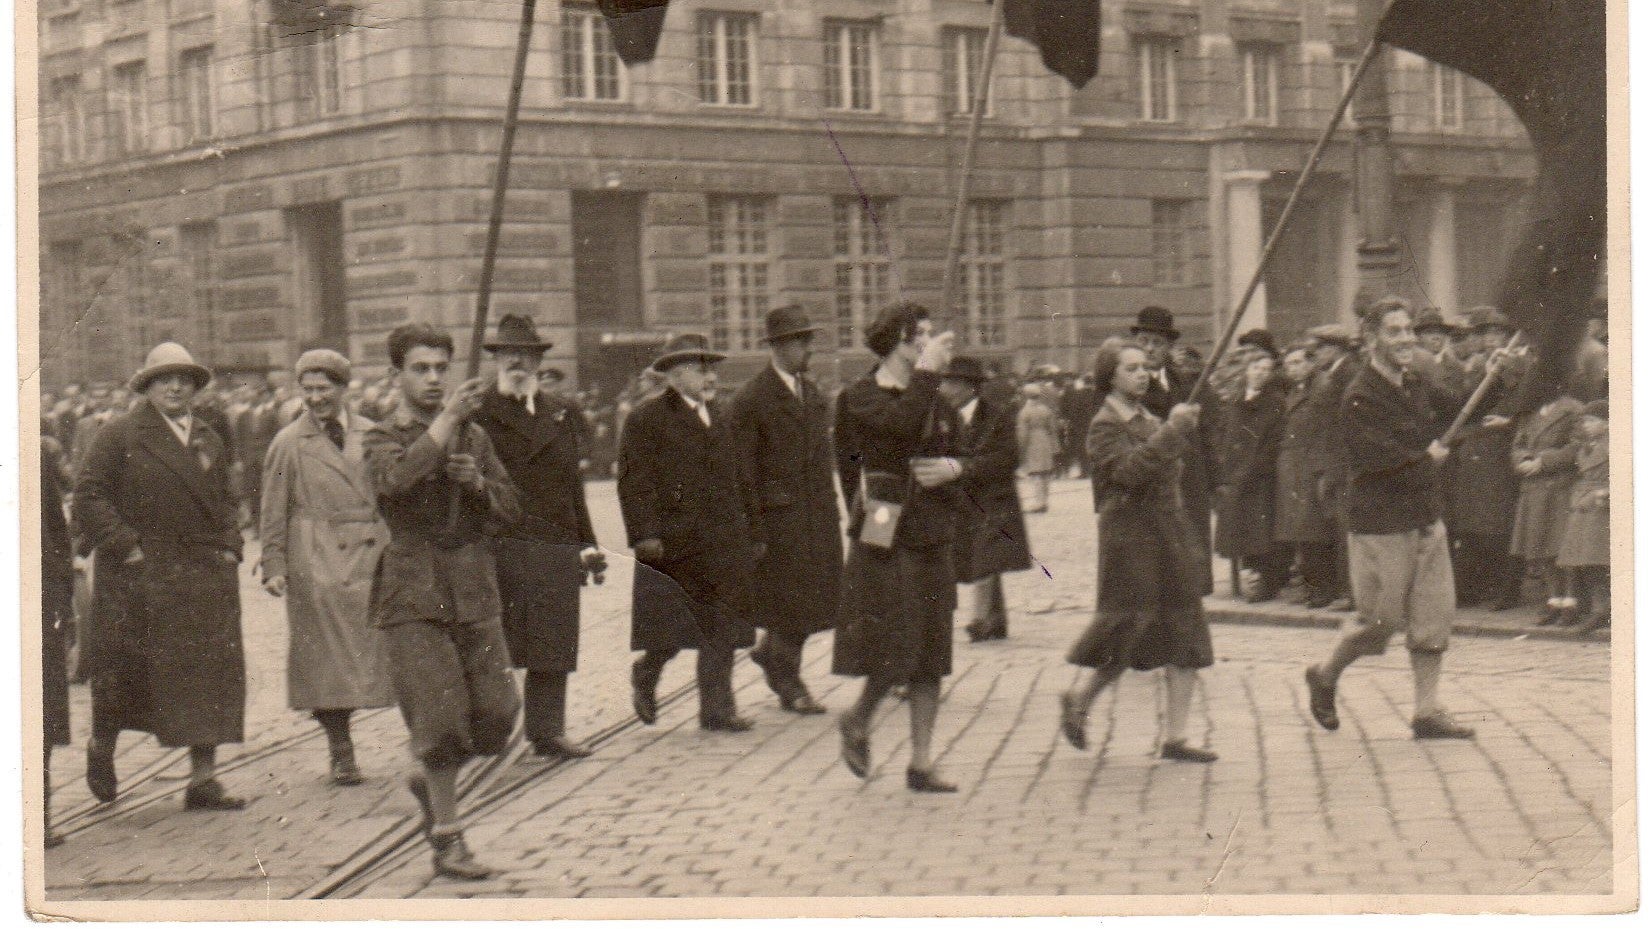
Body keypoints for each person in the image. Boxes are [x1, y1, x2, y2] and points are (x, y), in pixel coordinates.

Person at [364, 324, 523, 880]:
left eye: (440, 368)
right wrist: (446, 423)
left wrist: (478, 482)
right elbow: (395, 481)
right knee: (440, 721)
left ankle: (430, 777)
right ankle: (449, 835)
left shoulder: (475, 440)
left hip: (473, 587)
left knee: (500, 713)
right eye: (420, 369)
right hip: (413, 593)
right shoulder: (384, 435)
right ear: (397, 376)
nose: (433, 379)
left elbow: (510, 508)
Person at [1305, 297, 1496, 742]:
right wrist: (1427, 460)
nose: (1406, 339)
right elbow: (1375, 460)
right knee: (1379, 624)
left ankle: (1426, 711)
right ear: (1372, 338)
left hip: (1425, 516)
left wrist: (1497, 376)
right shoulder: (1359, 394)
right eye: (1395, 331)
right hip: (1380, 524)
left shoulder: (1415, 382)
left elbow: (1460, 408)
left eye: (1408, 330)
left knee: (1434, 615)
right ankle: (1325, 673)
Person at [74, 343, 249, 811]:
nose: (175, 387)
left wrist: (232, 545)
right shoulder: (119, 435)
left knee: (207, 675)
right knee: (124, 676)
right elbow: (89, 494)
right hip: (139, 577)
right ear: (147, 386)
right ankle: (102, 748)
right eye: (164, 379)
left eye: (184, 379)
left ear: (195, 387)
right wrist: (124, 544)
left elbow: (228, 497)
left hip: (203, 574)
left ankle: (203, 779)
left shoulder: (209, 438)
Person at [1058, 340, 1216, 762]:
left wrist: (1176, 432)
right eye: (1131, 368)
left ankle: (1177, 737)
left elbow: (1169, 470)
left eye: (1145, 366)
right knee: (1128, 628)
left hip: (1169, 532)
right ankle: (1080, 699)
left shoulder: (1150, 417)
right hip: (1130, 537)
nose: (1143, 373)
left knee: (1186, 628)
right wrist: (1173, 432)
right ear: (1110, 376)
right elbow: (1128, 473)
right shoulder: (1103, 424)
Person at [832, 302, 966, 792]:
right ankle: (859, 718)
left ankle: (922, 761)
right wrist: (928, 376)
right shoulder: (862, 395)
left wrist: (956, 469)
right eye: (921, 337)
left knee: (931, 648)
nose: (931, 345)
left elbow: (965, 450)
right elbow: (895, 431)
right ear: (898, 343)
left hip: (931, 528)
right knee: (894, 642)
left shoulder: (935, 397)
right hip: (884, 525)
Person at [259, 349, 397, 786]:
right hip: (315, 559)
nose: (316, 398)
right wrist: (273, 564)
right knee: (325, 662)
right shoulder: (288, 443)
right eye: (308, 389)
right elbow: (272, 509)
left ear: (343, 389)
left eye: (324, 389)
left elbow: (392, 494)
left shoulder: (374, 435)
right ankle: (341, 750)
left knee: (385, 649)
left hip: (371, 557)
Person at [474, 315, 605, 759]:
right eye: (508, 354)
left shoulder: (560, 411)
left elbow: (572, 484)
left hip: (554, 540)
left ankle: (547, 731)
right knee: (496, 642)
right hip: (501, 540)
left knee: (553, 638)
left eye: (526, 354)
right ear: (495, 360)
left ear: (538, 360)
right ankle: (488, 731)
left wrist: (587, 540)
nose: (517, 361)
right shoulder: (477, 414)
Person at [618, 334, 759, 733]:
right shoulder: (647, 418)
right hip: (674, 543)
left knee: (723, 625)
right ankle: (647, 671)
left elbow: (743, 477)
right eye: (701, 370)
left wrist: (754, 530)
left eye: (712, 369)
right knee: (671, 629)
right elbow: (634, 481)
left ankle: (717, 710)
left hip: (724, 539)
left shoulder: (724, 414)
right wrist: (644, 534)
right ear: (676, 375)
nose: (710, 377)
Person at [728, 306, 843, 715]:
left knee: (815, 601)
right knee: (792, 603)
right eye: (800, 341)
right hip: (779, 522)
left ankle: (769, 651)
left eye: (809, 339)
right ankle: (787, 680)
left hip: (817, 517)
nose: (808, 348)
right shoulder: (751, 399)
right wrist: (754, 531)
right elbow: (742, 472)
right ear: (777, 347)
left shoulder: (812, 394)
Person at [941, 356, 1031, 644]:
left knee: (985, 558)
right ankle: (996, 620)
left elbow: (1008, 458)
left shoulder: (997, 416)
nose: (944, 388)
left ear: (970, 387)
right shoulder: (943, 418)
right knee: (978, 561)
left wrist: (966, 467)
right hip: (962, 502)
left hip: (995, 499)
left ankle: (980, 619)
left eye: (951, 383)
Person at [1444, 307, 1525, 610]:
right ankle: (1473, 587)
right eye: (1484, 335)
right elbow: (1464, 403)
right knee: (1471, 526)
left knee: (1499, 525)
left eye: (1496, 334)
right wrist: (1482, 371)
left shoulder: (1520, 363)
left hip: (1500, 449)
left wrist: (1509, 372)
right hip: (1474, 450)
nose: (1490, 340)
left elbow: (1525, 400)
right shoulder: (1475, 365)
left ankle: (1506, 590)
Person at [1133, 306, 1217, 592]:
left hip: (1191, 476)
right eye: (1144, 342)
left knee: (1192, 538)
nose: (1149, 349)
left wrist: (1215, 480)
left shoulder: (1186, 382)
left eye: (1157, 343)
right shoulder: (1131, 386)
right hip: (1155, 475)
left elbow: (1207, 434)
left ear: (1169, 347)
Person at [1214, 349, 1289, 603]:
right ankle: (1249, 575)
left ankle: (1265, 581)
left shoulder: (1275, 402)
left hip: (1259, 476)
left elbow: (1272, 441)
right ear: (1247, 369)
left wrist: (1250, 470)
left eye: (1267, 370)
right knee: (1241, 528)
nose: (1261, 373)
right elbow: (1226, 435)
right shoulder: (1236, 399)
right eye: (1257, 367)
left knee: (1261, 531)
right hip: (1234, 474)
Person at [1509, 390, 1585, 625]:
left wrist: (1543, 462)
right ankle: (1554, 600)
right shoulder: (1531, 411)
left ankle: (1571, 602)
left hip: (1559, 486)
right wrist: (1522, 460)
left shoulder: (1573, 408)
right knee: (1541, 547)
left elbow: (1577, 447)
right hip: (1533, 487)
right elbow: (1518, 443)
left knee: (1561, 546)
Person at [1274, 343, 1338, 608]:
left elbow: (1328, 430)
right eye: (1289, 364)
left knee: (1316, 532)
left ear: (1312, 363)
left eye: (1299, 362)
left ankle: (1323, 589)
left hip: (1311, 466)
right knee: (1302, 532)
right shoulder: (1294, 391)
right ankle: (1311, 587)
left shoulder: (1322, 389)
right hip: (1293, 468)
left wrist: (1324, 468)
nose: (1294, 368)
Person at [1303, 323, 1362, 611]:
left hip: (1342, 467)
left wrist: (1332, 471)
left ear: (1336, 348)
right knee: (1342, 531)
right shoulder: (1334, 374)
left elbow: (1342, 430)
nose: (1316, 354)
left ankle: (1354, 594)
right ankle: (1350, 592)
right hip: (1334, 465)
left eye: (1321, 348)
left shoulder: (1346, 375)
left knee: (1347, 531)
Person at [42, 448, 74, 848]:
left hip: (35, 595)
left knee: (39, 708)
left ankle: (37, 815)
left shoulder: (33, 453)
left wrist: (63, 599)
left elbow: (55, 531)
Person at [1556, 400, 1609, 635]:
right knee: (1585, 562)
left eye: (1592, 420)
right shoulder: (1587, 445)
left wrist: (1604, 494)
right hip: (1582, 504)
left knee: (1599, 561)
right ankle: (1598, 609)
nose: (1586, 425)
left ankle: (1602, 611)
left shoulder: (1616, 444)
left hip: (1602, 506)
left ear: (1608, 422)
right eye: (1585, 420)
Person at [1016, 382, 1060, 513]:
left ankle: (1039, 502)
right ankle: (1044, 501)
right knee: (1045, 472)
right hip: (1045, 440)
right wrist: (1055, 446)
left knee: (1036, 473)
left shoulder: (1024, 412)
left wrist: (1021, 448)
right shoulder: (1046, 410)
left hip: (1032, 442)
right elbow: (1053, 429)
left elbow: (1022, 433)